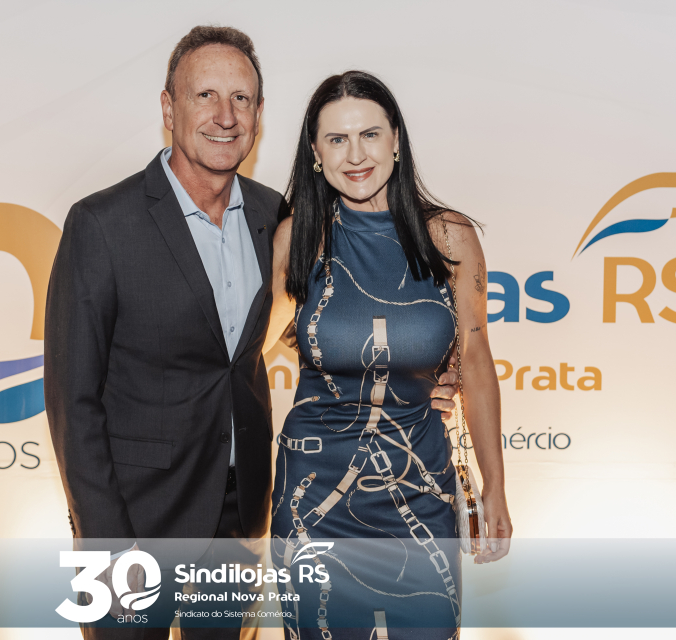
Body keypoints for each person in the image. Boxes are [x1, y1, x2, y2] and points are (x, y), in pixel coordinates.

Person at [45, 26, 460, 639]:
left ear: (260, 114)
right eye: (205, 96)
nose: (225, 116)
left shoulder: (278, 218)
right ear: (168, 108)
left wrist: (422, 376)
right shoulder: (102, 224)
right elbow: (71, 401)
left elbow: (318, 328)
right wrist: (104, 537)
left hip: (238, 519)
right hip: (134, 517)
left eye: (241, 98)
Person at [266, 71, 513, 640]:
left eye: (370, 135)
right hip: (315, 492)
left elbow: (477, 363)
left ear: (396, 139)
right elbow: (251, 346)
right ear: (315, 153)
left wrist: (495, 485)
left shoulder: (449, 237)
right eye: (337, 140)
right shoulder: (297, 239)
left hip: (420, 485)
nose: (356, 155)